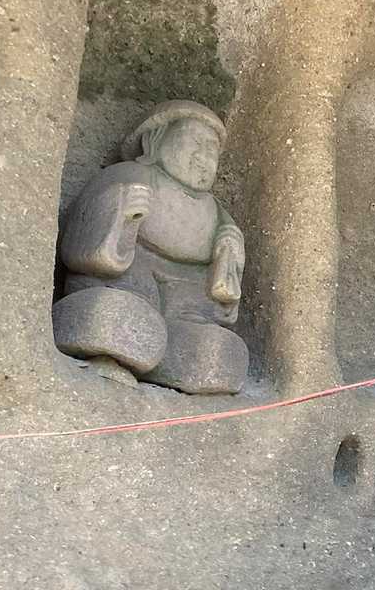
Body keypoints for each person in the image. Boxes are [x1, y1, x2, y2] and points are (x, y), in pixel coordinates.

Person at [53, 100, 248, 394]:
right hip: (125, 286)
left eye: (212, 150)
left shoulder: (218, 215)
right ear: (153, 141)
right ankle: (118, 356)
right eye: (195, 142)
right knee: (116, 316)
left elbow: (222, 299)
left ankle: (158, 360)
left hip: (185, 309)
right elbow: (78, 249)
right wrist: (120, 213)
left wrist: (228, 260)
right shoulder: (128, 176)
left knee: (221, 351)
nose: (204, 156)